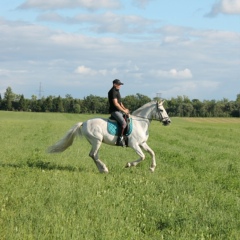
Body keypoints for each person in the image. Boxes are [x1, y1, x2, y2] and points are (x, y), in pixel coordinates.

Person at [108, 79, 129, 146]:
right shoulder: (112, 91)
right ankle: (119, 139)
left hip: (119, 110)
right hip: (114, 111)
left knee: (128, 119)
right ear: (114, 84)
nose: (120, 86)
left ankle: (126, 136)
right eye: (118, 84)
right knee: (124, 123)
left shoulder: (117, 91)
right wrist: (123, 111)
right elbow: (116, 104)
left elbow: (120, 103)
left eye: (120, 84)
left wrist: (125, 109)